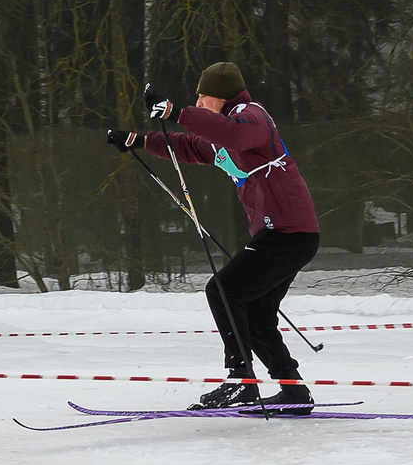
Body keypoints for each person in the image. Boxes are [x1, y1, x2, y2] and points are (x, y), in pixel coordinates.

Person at [107, 62, 320, 413]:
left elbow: (231, 134)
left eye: (204, 97)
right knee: (255, 313)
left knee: (223, 290)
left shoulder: (252, 118)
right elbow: (193, 147)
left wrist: (177, 111)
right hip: (284, 233)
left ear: (222, 95)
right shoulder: (227, 132)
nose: (200, 102)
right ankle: (293, 390)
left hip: (287, 232)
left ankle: (241, 380)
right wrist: (139, 141)